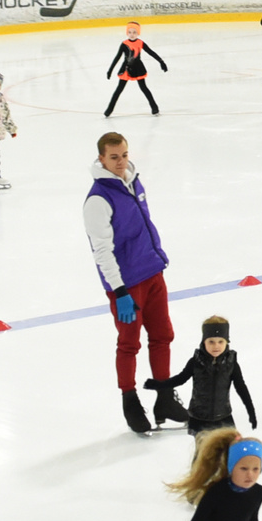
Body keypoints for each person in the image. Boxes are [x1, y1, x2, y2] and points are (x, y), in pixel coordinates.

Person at [82, 132, 177, 436]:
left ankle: (165, 397)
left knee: (163, 335)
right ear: (101, 158)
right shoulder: (98, 198)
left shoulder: (134, 182)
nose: (121, 162)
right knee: (129, 344)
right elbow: (101, 250)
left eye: (123, 155)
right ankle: (130, 400)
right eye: (114, 157)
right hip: (127, 284)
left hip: (152, 271)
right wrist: (119, 290)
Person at [159, 316, 257, 434]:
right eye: (211, 342)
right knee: (204, 451)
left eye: (220, 342)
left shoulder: (231, 363)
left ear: (226, 342)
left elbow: (241, 388)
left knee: (229, 450)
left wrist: (251, 412)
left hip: (223, 416)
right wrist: (157, 384)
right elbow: (180, 379)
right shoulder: (196, 362)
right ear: (204, 342)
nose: (216, 346)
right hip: (199, 418)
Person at [103, 21, 167, 118]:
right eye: (130, 32)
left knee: (144, 88)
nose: (132, 34)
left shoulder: (140, 43)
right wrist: (110, 70)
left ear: (138, 33)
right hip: (126, 69)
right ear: (127, 33)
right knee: (119, 90)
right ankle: (109, 109)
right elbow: (117, 57)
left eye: (134, 32)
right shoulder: (124, 44)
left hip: (138, 68)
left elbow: (151, 52)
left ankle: (154, 108)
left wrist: (161, 61)